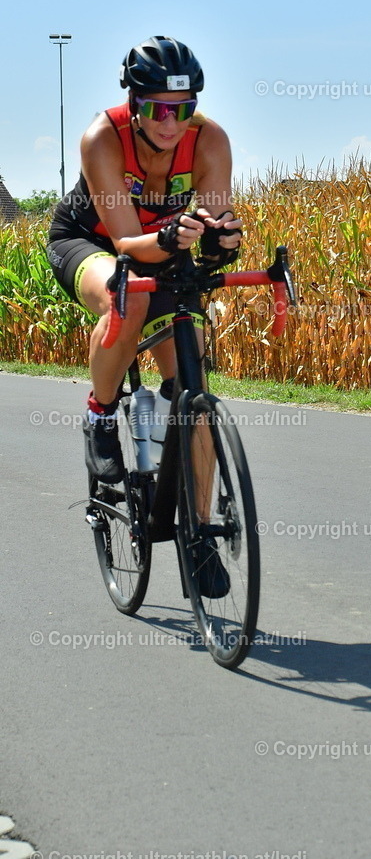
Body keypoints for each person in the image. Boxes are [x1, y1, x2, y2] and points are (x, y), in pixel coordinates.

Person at [48, 35, 242, 592]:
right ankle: (101, 415)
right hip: (93, 242)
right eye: (157, 107)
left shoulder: (210, 141)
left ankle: (199, 533)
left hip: (164, 245)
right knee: (123, 296)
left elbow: (212, 220)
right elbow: (129, 243)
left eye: (181, 108)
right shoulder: (102, 137)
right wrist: (173, 238)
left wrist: (220, 240)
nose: (169, 121)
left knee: (192, 389)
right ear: (133, 103)